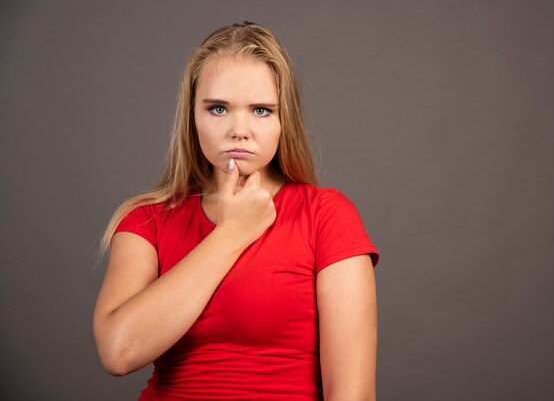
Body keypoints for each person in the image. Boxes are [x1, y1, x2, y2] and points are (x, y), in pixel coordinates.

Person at [93, 21, 380, 400]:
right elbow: (118, 351)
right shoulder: (147, 219)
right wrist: (231, 233)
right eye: (218, 108)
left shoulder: (326, 216)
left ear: (284, 121)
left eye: (261, 110)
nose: (239, 129)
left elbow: (352, 395)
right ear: (192, 116)